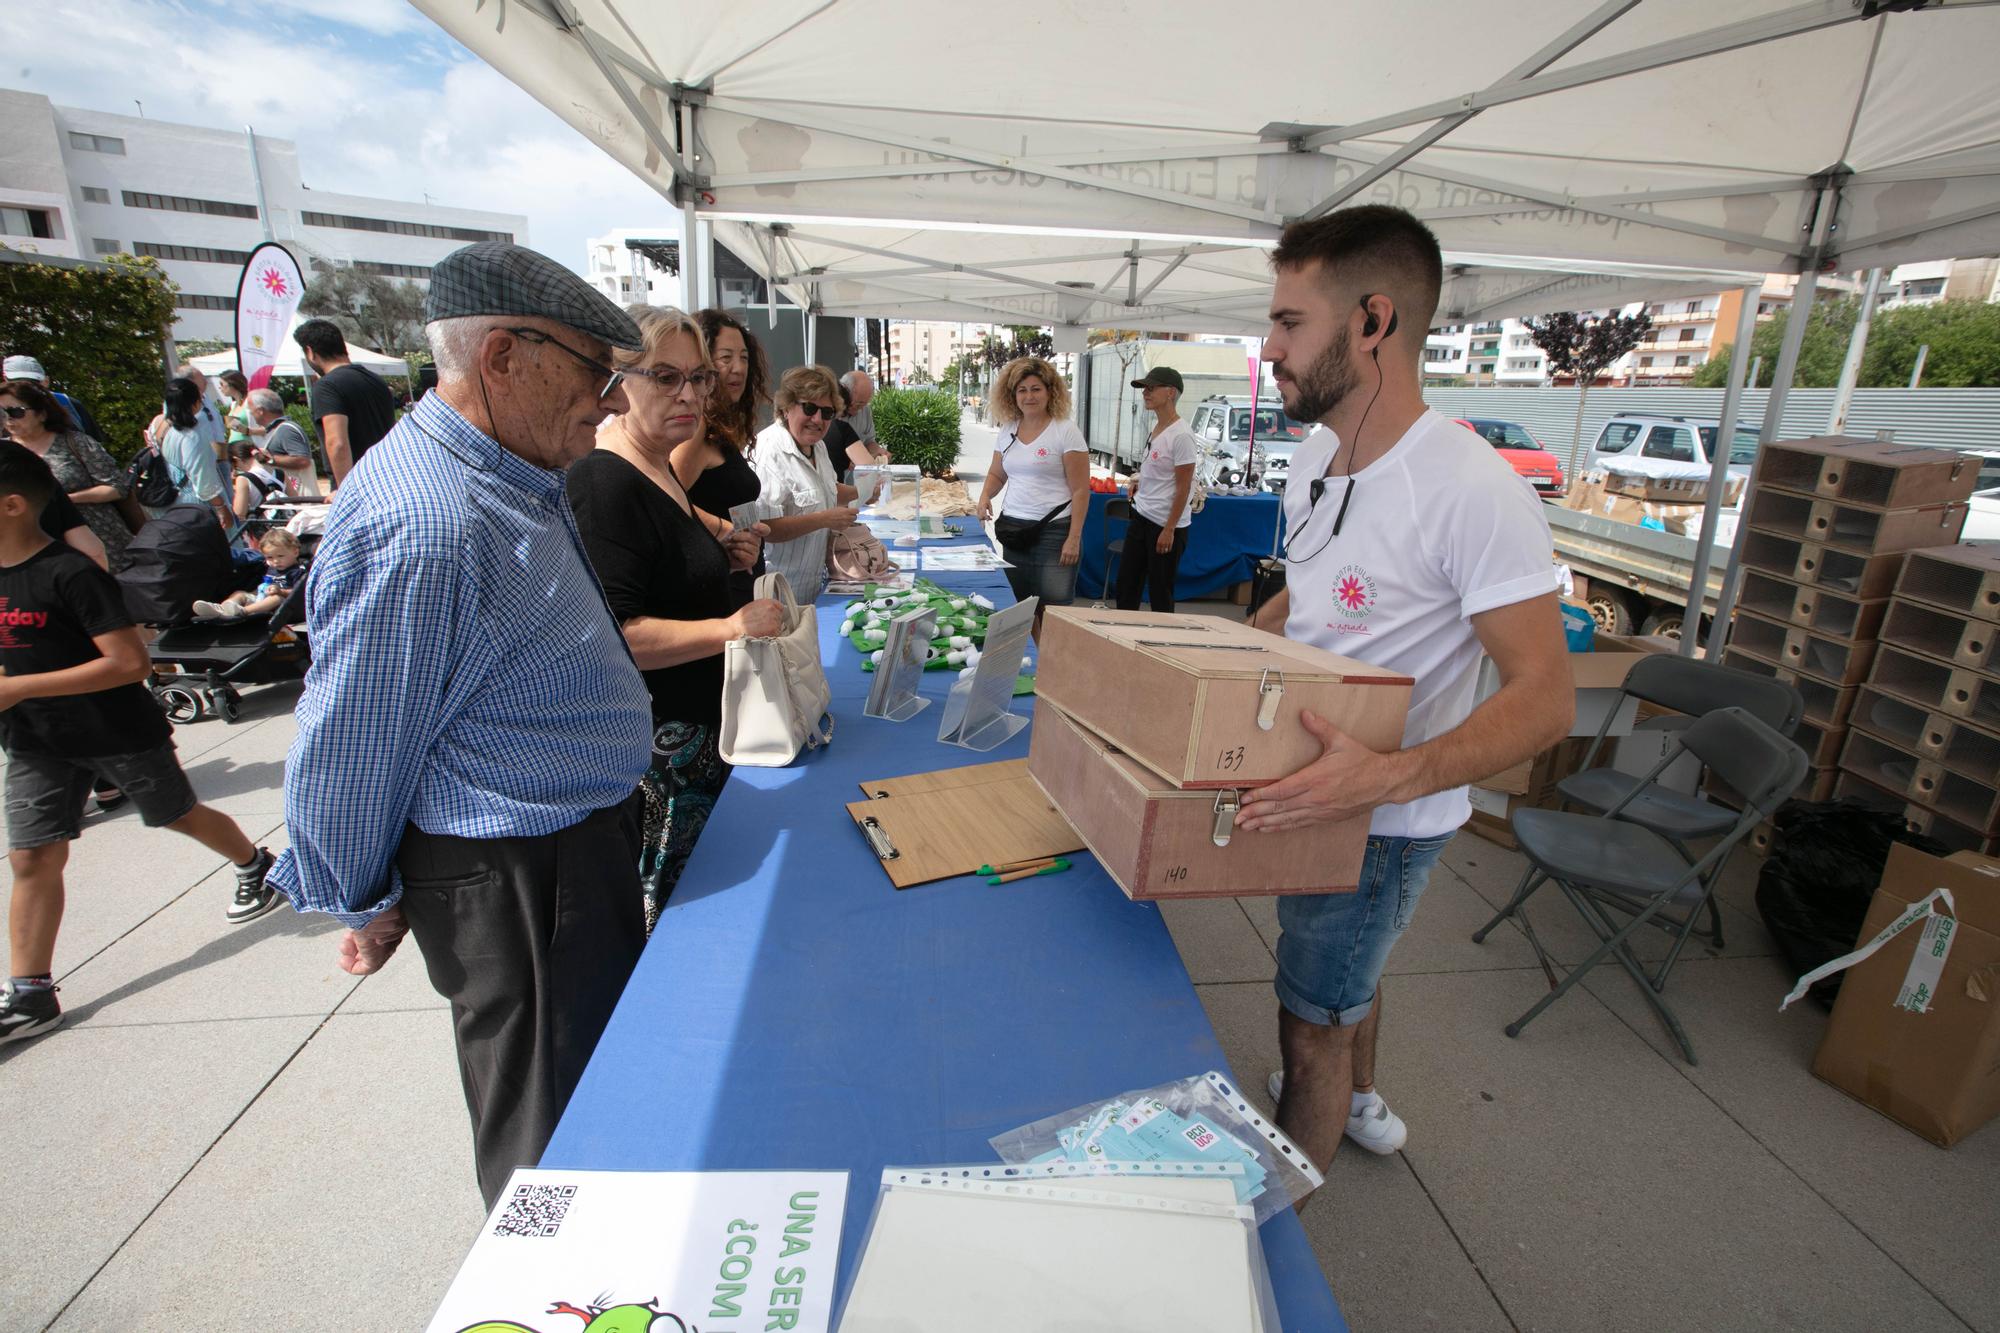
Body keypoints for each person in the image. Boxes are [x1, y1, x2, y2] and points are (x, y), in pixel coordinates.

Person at [265, 241, 656, 1208]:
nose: (611, 402)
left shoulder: (503, 468)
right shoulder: (429, 518)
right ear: (503, 360)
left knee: (589, 1100)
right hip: (524, 871)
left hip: (559, 853)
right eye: (596, 374)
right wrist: (357, 890)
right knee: (552, 1139)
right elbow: (352, 742)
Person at [1239, 206, 1572, 1178]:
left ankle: (1281, 1226)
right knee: (1342, 977)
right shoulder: (1314, 456)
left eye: (1289, 323)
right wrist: (1217, 648)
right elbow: (1310, 593)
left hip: (1383, 824)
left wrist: (1382, 776)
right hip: (1314, 787)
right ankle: (1362, 1093)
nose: (1268, 349)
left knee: (1309, 1029)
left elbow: (1544, 700)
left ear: (1372, 321)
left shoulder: (1470, 487)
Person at [0, 443, 282, 1043]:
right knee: (32, 856)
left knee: (178, 815)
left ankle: (257, 863)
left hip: (116, 733)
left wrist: (19, 686)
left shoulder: (71, 574)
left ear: (13, 505)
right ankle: (30, 992)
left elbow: (129, 663)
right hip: (33, 740)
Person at [568, 306, 774, 932]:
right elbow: (616, 636)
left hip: (699, 744)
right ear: (616, 380)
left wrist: (722, 548)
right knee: (678, 931)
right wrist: (731, 627)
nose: (690, 394)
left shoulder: (656, 466)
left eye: (699, 377)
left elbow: (666, 569)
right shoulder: (605, 482)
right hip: (660, 759)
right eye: (665, 377)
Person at [976, 356, 1089, 633]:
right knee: (1021, 607)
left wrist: (1073, 538)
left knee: (1053, 610)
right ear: (1012, 395)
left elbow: (1081, 489)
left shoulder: (1065, 430)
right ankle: (1031, 663)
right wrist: (985, 496)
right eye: (1022, 390)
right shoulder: (1008, 430)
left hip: (1054, 532)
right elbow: (997, 474)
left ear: (1050, 391)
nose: (1029, 396)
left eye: (1036, 388)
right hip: (1015, 531)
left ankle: (1051, 667)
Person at [678, 308, 769, 606]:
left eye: (744, 357)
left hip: (742, 578)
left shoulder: (723, 429)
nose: (739, 368)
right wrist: (724, 531)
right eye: (726, 357)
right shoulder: (698, 427)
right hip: (719, 591)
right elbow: (666, 499)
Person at [0, 379, 133, 573]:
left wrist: (66, 500)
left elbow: (116, 487)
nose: (9, 420)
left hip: (101, 542)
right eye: (2, 414)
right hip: (36, 551)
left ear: (41, 413)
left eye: (16, 412)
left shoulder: (76, 443)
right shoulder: (5, 452)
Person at [750, 365, 859, 598]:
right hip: (779, 594)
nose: (817, 419)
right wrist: (823, 519)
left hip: (813, 587)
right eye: (809, 408)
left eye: (827, 413)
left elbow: (824, 489)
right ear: (787, 407)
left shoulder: (816, 446)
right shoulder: (769, 452)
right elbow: (766, 528)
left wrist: (862, 491)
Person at [1116, 366, 1199, 613]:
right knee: (1126, 586)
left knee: (1160, 592)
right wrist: (1140, 481)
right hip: (1142, 516)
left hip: (1164, 524)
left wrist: (1169, 529)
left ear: (1171, 392)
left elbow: (1184, 487)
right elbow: (1161, 471)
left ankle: (1160, 644)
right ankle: (1123, 640)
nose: (1145, 393)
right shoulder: (1158, 428)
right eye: (1144, 388)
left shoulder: (1182, 435)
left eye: (1151, 388)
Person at [293, 318, 398, 484]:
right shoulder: (376, 381)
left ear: (310, 352)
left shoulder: (327, 386)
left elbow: (337, 443)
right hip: (387, 477)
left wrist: (345, 491)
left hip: (358, 484)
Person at [148, 378, 232, 526]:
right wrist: (220, 507)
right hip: (194, 503)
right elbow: (202, 477)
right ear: (195, 403)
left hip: (170, 499)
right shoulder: (192, 436)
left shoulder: (158, 424)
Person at [192, 526, 304, 621]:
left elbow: (300, 593)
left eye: (280, 556)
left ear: (295, 552)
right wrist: (253, 593)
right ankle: (222, 609)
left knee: (276, 598)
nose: (275, 561)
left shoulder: (297, 571)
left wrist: (281, 591)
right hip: (262, 599)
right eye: (270, 557)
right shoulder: (271, 569)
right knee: (239, 593)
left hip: (288, 606)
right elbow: (262, 586)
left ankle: (242, 612)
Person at [3, 355, 102, 441]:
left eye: (33, 382)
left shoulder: (68, 404)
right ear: (5, 380)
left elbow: (95, 446)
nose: (26, 387)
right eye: (18, 382)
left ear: (45, 381)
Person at [245, 388, 321, 496]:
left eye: (250, 410)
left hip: (298, 498)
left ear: (260, 411)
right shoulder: (279, 429)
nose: (251, 414)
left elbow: (303, 460)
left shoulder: (286, 429)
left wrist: (269, 460)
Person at [827, 369, 884, 483]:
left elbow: (868, 445)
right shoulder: (834, 425)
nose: (860, 410)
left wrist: (879, 453)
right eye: (858, 404)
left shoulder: (846, 427)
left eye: (865, 404)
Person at [224, 439, 282, 521]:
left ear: (236, 459)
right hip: (288, 526)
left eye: (235, 467)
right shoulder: (280, 473)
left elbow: (239, 513)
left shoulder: (243, 479)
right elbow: (294, 498)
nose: (236, 470)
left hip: (265, 529)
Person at [218, 370, 257, 445]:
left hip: (248, 449)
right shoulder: (233, 405)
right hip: (234, 449)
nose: (220, 387)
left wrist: (246, 431)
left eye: (222, 384)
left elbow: (266, 428)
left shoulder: (251, 402)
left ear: (232, 384)